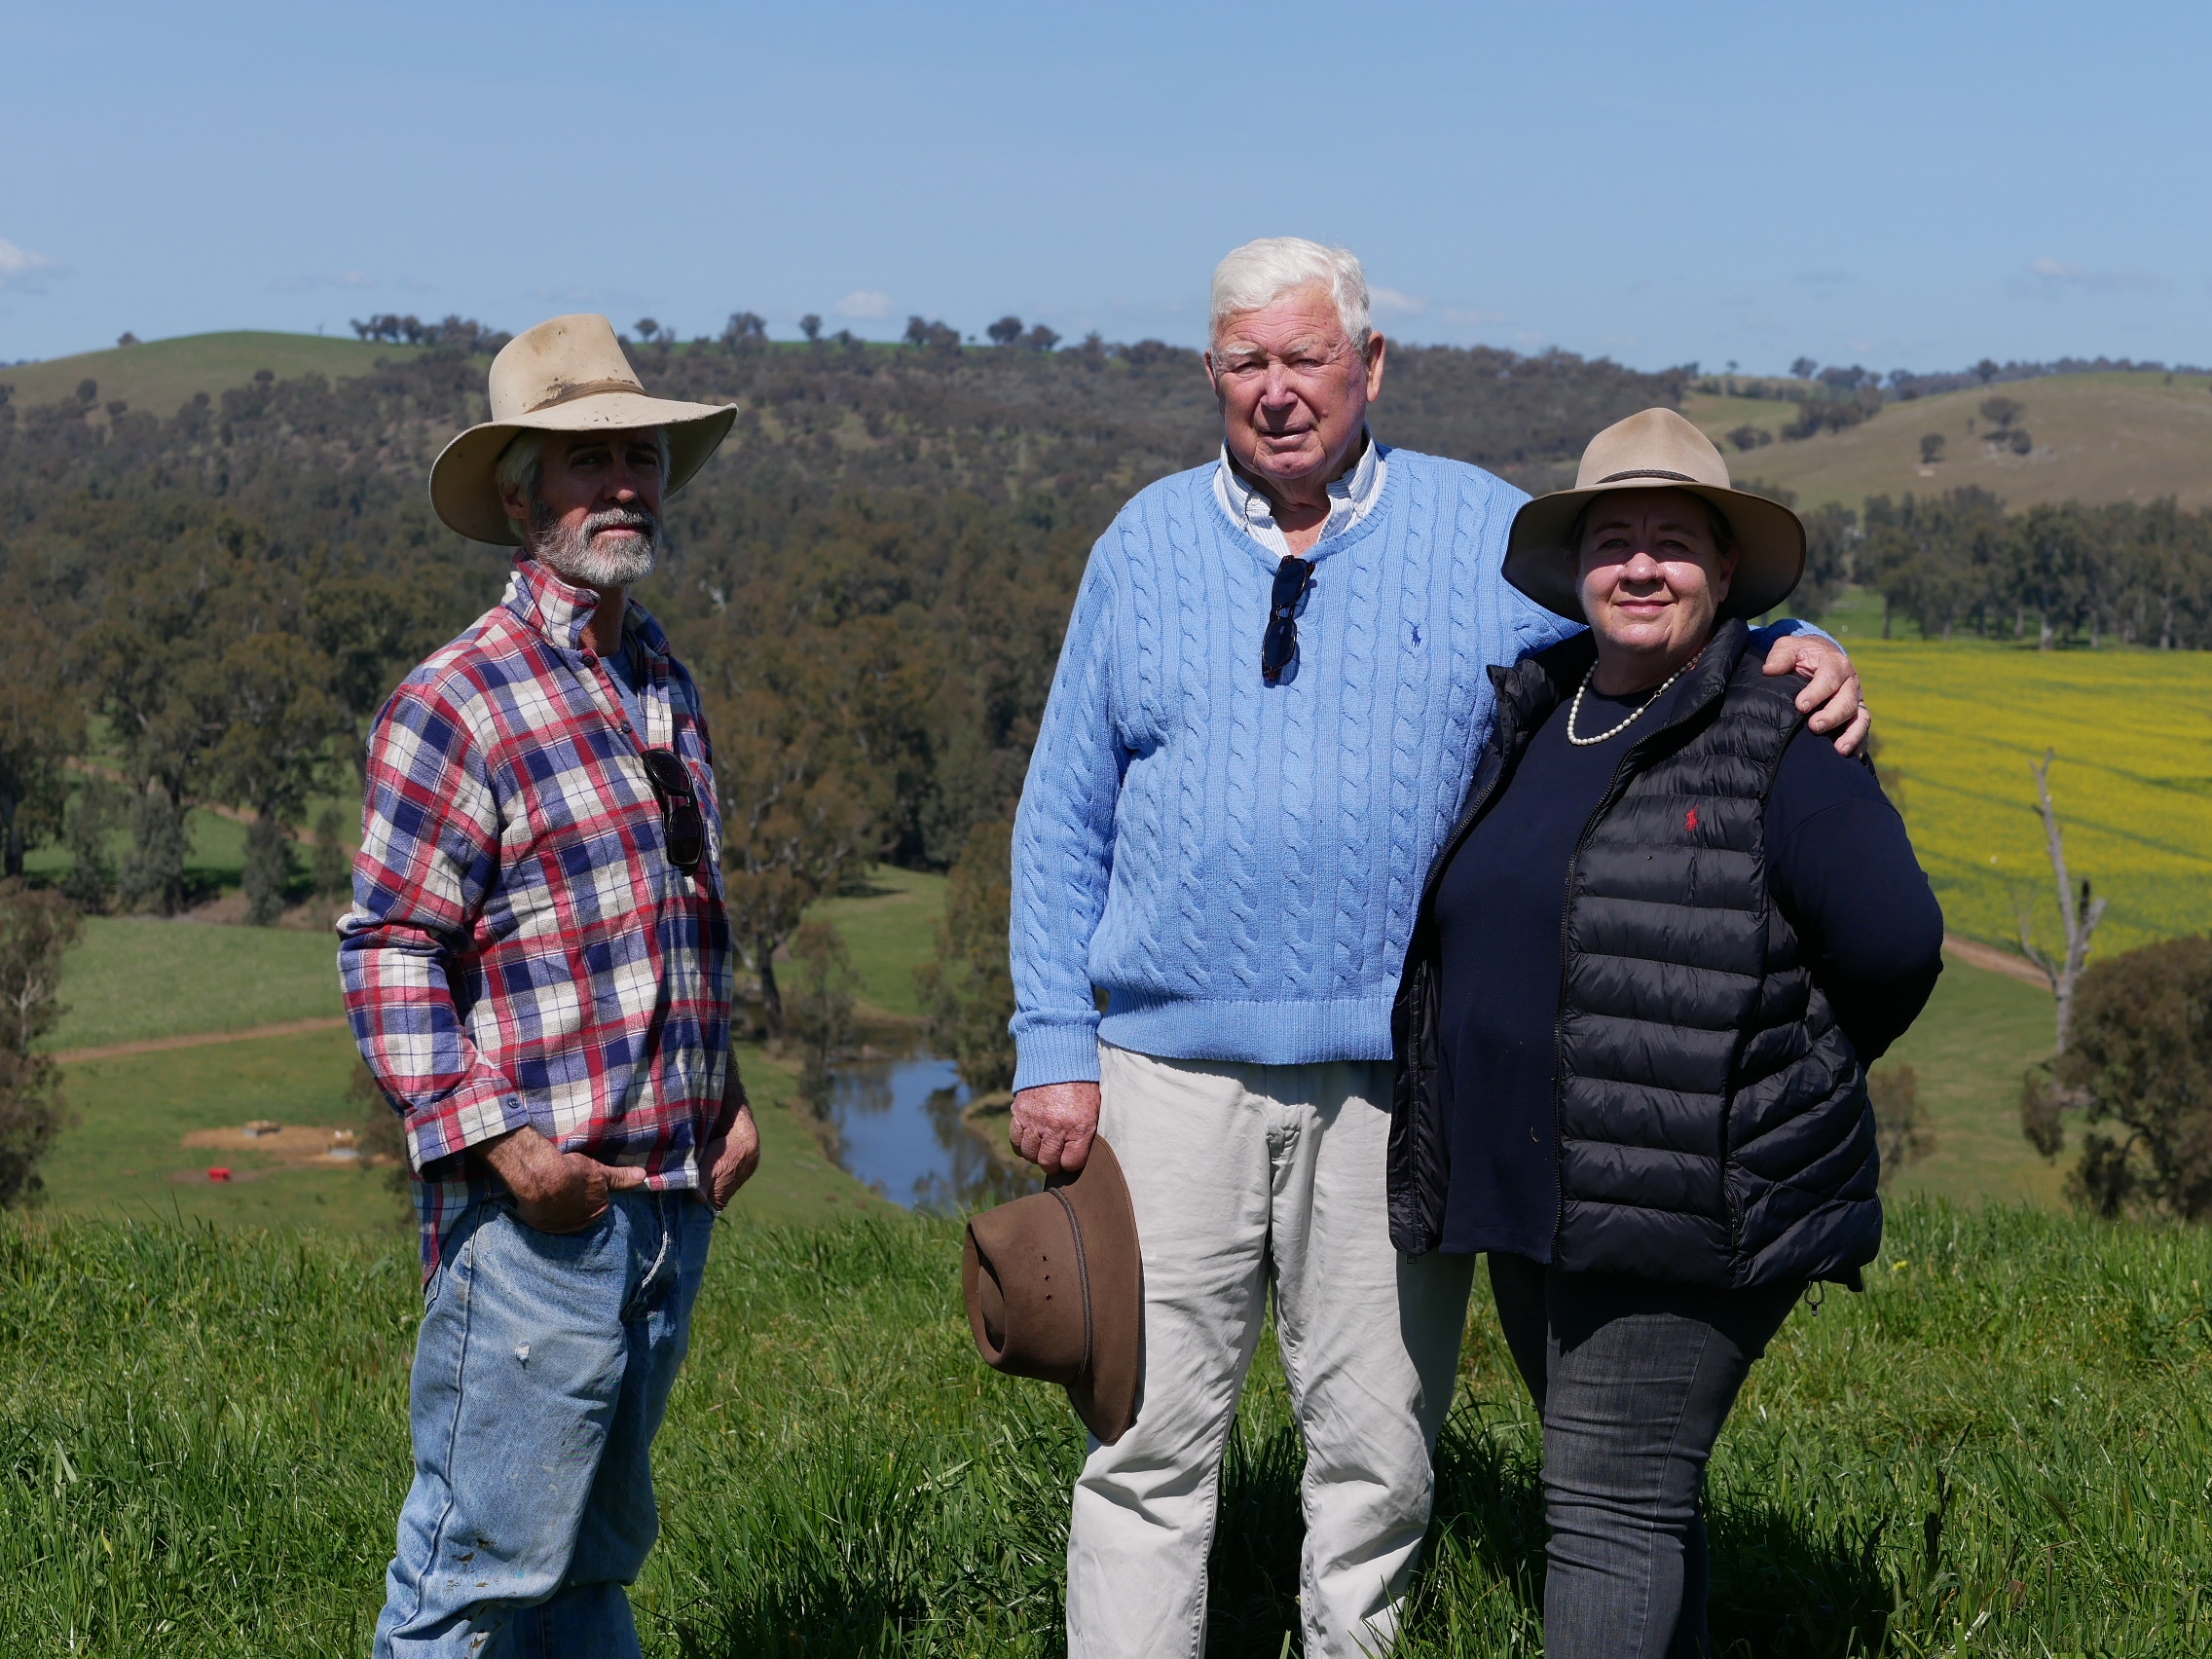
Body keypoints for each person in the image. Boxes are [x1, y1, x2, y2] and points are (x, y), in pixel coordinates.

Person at [1010, 240, 1871, 1659]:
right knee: (1142, 1442)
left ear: (1371, 366)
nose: (1278, 392)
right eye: (1248, 364)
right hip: (1162, 1071)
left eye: (1307, 359)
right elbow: (1062, 815)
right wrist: (1055, 1044)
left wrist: (1807, 645)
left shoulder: (1480, 531)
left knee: (1378, 1456)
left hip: (1395, 1082)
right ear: (1211, 374)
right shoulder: (1143, 544)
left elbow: (1656, 618)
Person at [1390, 407, 1944, 1657]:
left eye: (1674, 541)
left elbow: (1896, 945)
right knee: (1639, 1498)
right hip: (1538, 1189)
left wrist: (1759, 1080)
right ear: (1578, 570)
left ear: (1725, 570)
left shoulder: (1778, 731)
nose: (1641, 566)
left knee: (1601, 1513)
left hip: (1682, 1196)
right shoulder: (1541, 709)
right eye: (1615, 539)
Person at [341, 313, 760, 1658]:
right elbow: (390, 949)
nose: (622, 484)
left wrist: (727, 1097)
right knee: (467, 1581)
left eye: (639, 454)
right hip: (538, 1228)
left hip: (664, 1212)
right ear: (522, 498)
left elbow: (680, 912)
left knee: (587, 1569)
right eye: (586, 463)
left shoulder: (662, 685)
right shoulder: (458, 701)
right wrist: (511, 1151)